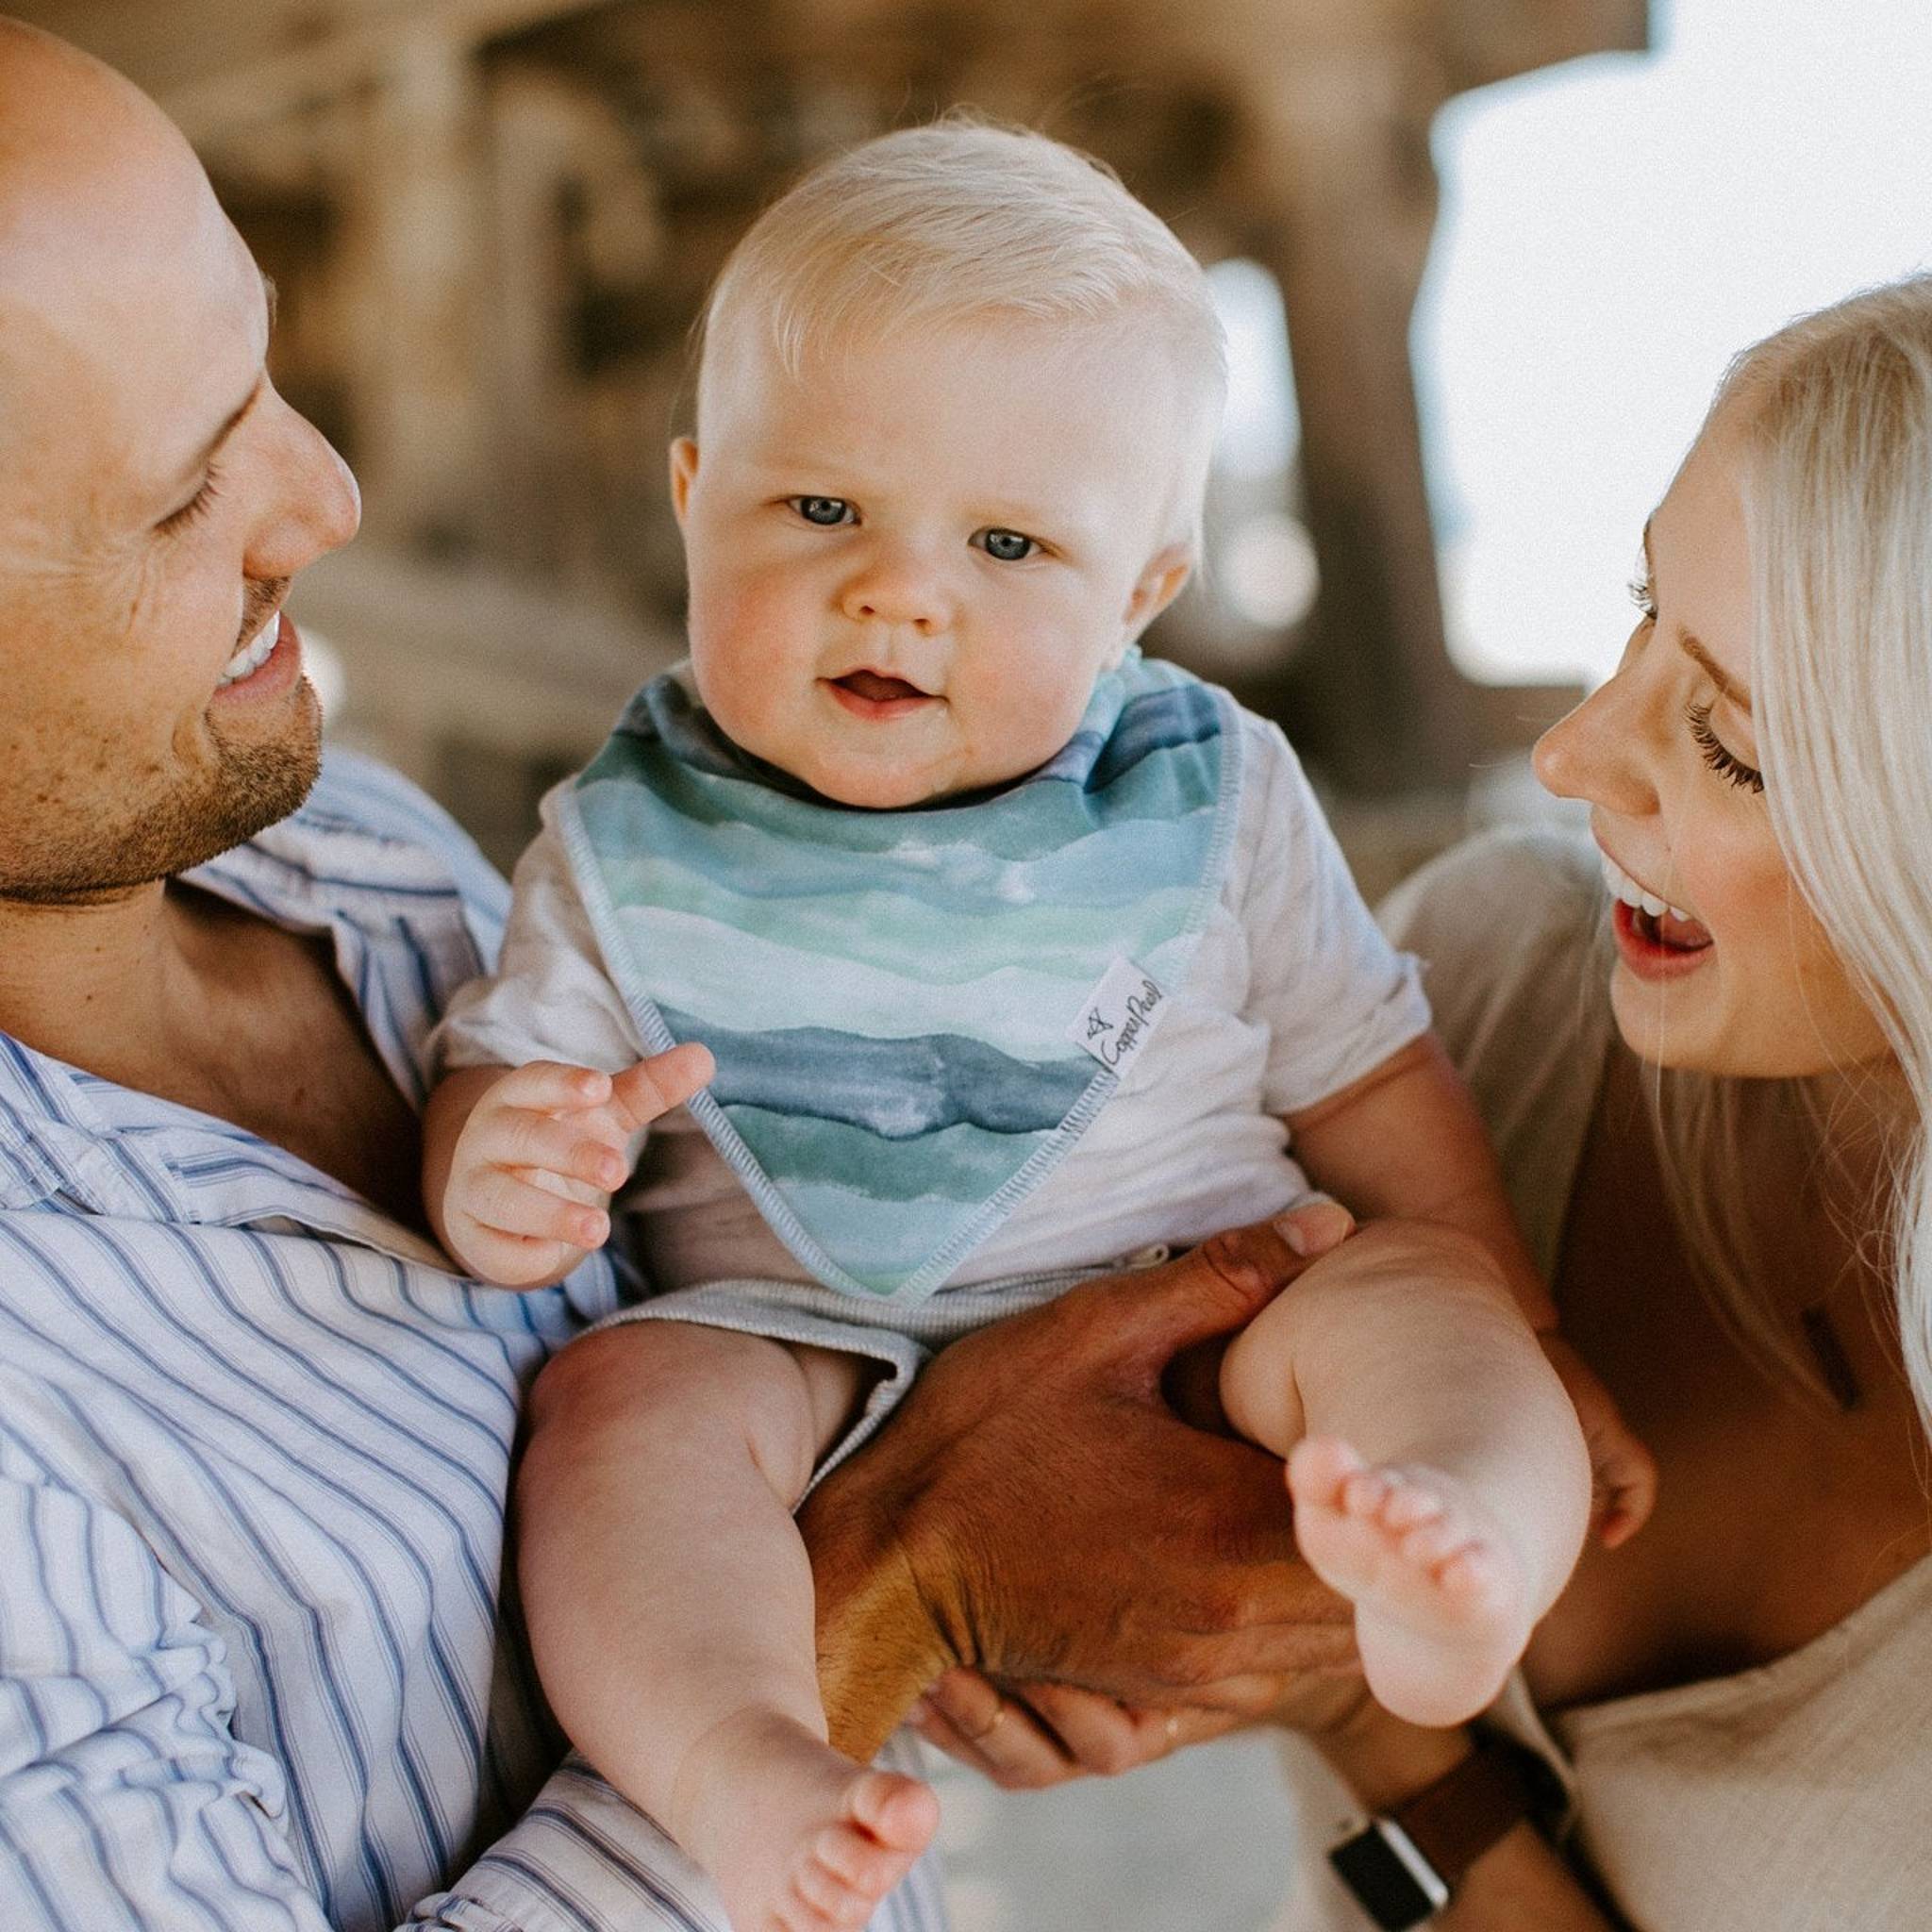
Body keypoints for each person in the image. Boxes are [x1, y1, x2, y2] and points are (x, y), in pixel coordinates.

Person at [0, 20, 1398, 1930]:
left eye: (265, 371)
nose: (325, 500)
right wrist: (903, 1576)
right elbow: (864, 1519)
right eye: (180, 497)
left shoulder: (378, 858)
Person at [425, 122, 1648, 1932]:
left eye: (1008, 542)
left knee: (1424, 1304)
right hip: (813, 1367)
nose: (902, 587)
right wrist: (499, 1169)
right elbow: (491, 1082)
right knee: (621, 1405)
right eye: (820, 507)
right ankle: (738, 1760)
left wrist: (1528, 1335)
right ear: (693, 493)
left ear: (1141, 593)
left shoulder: (1204, 795)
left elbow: (1369, 1070)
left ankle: (1455, 1560)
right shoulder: (627, 844)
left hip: (1223, 1318)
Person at [917, 276, 1932, 1932]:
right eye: (1637, 616)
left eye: (1731, 747)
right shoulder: (1492, 986)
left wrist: (1376, 1730)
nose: (1573, 755)